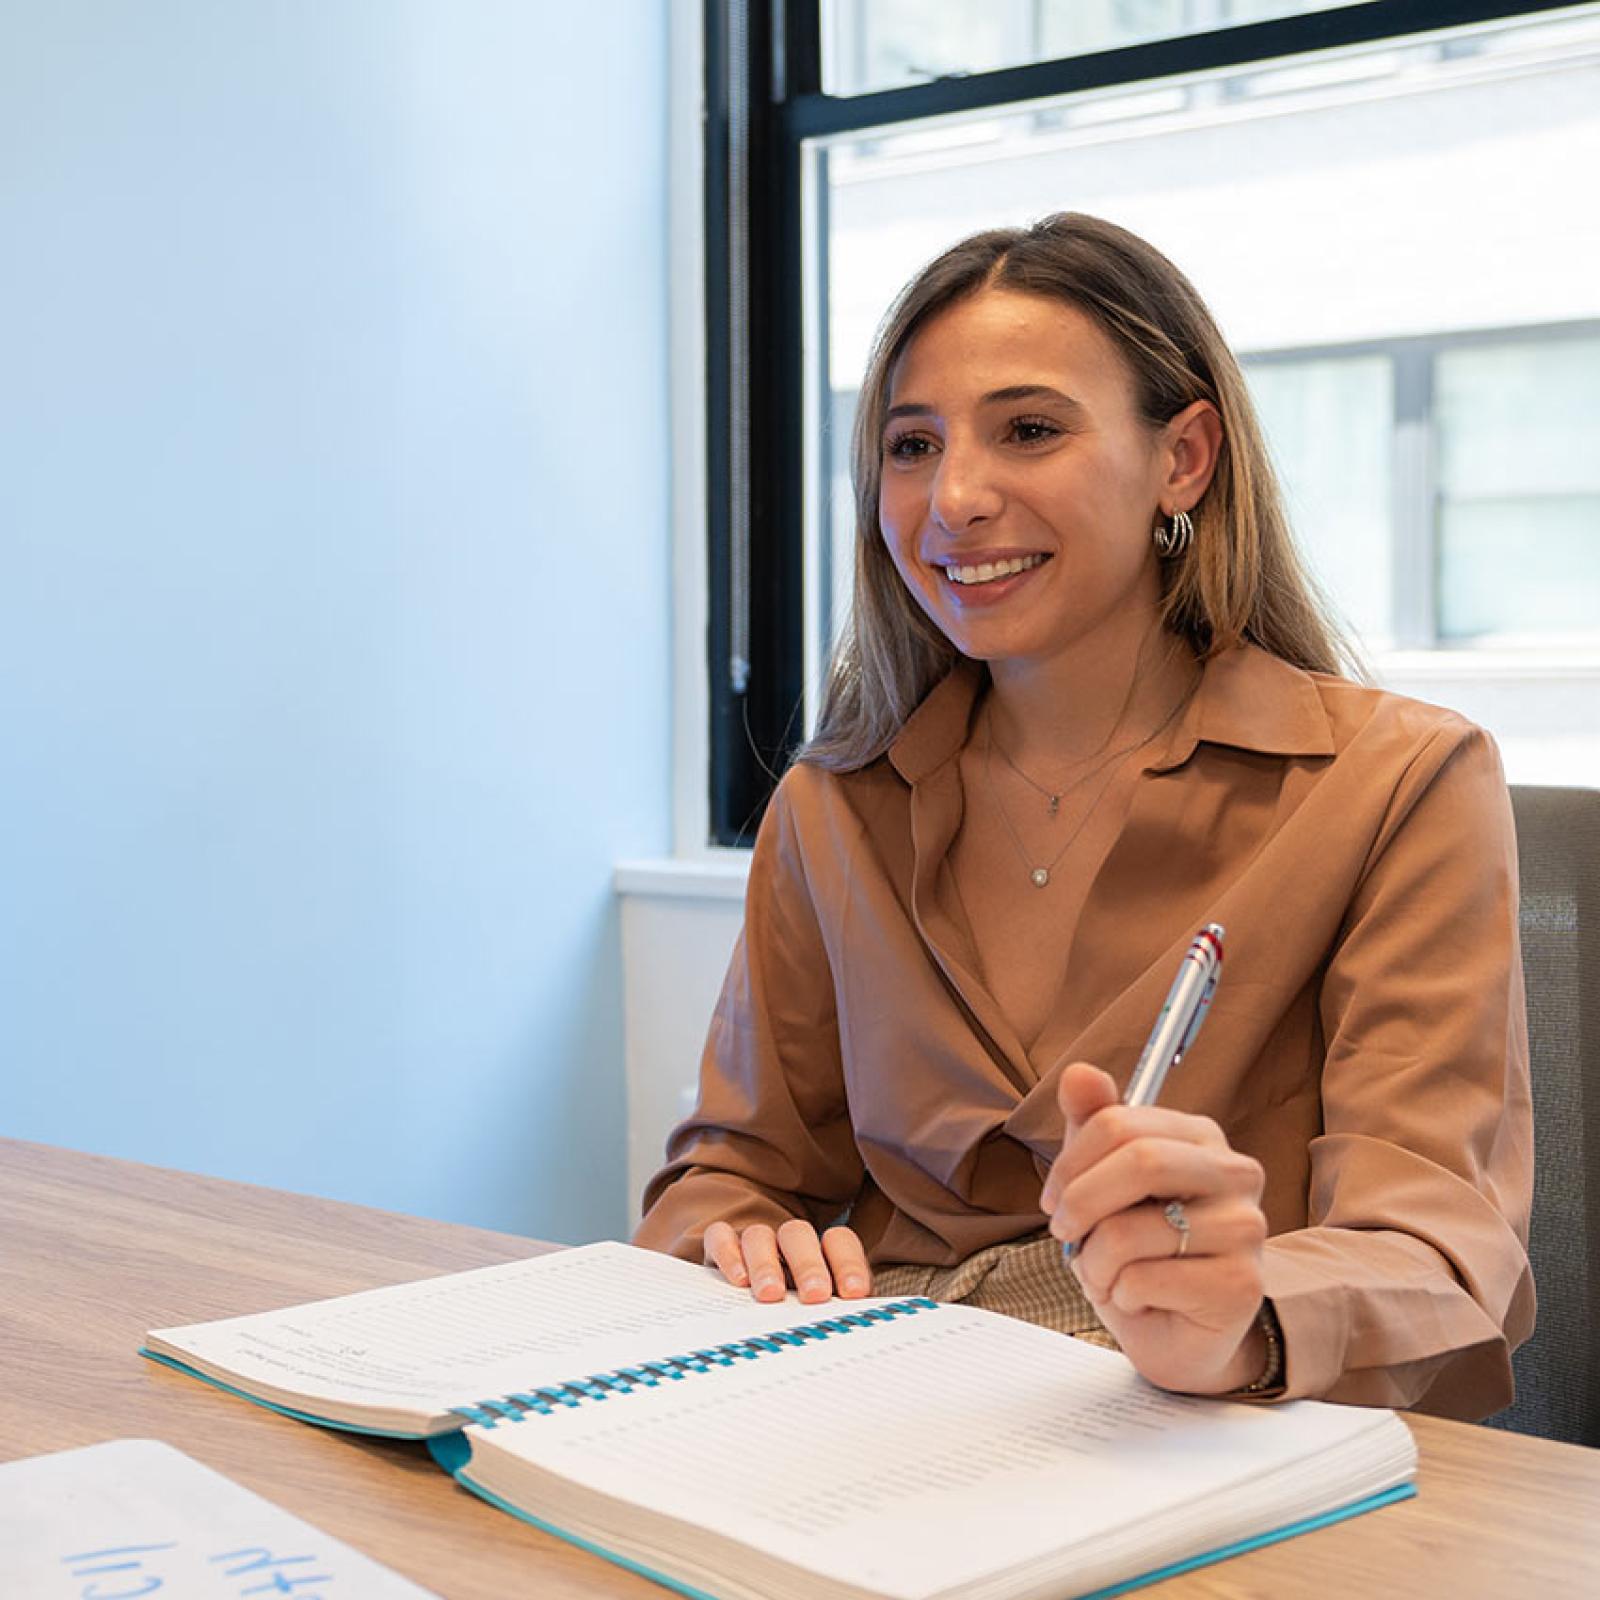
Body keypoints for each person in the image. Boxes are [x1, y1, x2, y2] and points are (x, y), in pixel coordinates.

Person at [634, 212, 1533, 1415]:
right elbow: (729, 1173)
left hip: (1223, 1429)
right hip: (889, 1414)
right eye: (911, 444)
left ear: (1185, 458)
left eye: (1029, 430)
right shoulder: (831, 807)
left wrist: (1237, 1318)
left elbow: (1434, 1246)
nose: (952, 497)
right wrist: (740, 1235)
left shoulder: (1398, 782)